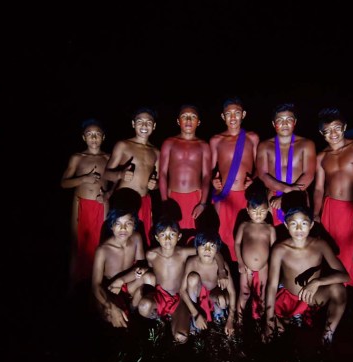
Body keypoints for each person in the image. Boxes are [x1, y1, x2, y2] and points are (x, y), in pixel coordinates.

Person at [312, 107, 353, 337]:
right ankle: (335, 306)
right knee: (332, 260)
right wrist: (316, 214)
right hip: (331, 211)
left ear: (345, 127)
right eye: (327, 130)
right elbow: (319, 188)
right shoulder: (321, 157)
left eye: (337, 128)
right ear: (322, 133)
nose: (333, 133)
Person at [264, 206, 348, 345]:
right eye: (293, 224)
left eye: (303, 223)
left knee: (339, 289)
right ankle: (290, 320)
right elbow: (272, 285)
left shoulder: (320, 245)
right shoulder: (279, 249)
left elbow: (345, 276)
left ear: (311, 225)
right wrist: (268, 320)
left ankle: (327, 338)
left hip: (311, 298)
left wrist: (317, 282)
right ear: (286, 225)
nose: (298, 229)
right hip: (289, 300)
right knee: (278, 337)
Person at [60, 118, 111, 293]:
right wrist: (83, 179)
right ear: (84, 138)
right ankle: (73, 287)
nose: (94, 138)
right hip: (81, 204)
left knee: (101, 244)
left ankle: (97, 286)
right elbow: (64, 183)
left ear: (103, 137)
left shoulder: (108, 158)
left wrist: (107, 195)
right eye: (90, 134)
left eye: (97, 134)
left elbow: (116, 183)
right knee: (78, 245)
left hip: (101, 206)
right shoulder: (77, 158)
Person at [209, 97, 259, 262]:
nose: (232, 117)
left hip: (246, 196)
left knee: (246, 235)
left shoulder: (252, 138)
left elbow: (260, 167)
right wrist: (212, 180)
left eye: (236, 113)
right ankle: (226, 272)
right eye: (228, 114)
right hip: (225, 195)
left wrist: (254, 179)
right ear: (223, 117)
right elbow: (210, 169)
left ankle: (247, 270)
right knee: (223, 235)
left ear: (243, 114)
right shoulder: (216, 140)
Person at [104, 107, 160, 247]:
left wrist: (155, 184)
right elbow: (106, 174)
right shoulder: (123, 145)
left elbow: (159, 181)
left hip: (144, 202)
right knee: (121, 243)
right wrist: (120, 174)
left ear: (153, 126)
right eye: (140, 121)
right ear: (133, 124)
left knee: (142, 241)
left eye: (148, 122)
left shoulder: (156, 152)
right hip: (124, 201)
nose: (144, 125)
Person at [256, 103, 316, 227]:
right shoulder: (264, 145)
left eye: (289, 119)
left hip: (299, 196)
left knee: (299, 235)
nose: (284, 123)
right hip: (273, 198)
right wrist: (286, 191)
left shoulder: (307, 144)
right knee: (276, 235)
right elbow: (263, 174)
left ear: (295, 122)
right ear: (273, 124)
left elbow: (309, 174)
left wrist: (287, 196)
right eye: (280, 120)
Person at [91, 208, 154, 328]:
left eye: (128, 224)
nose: (123, 228)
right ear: (111, 226)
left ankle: (135, 311)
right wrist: (111, 306)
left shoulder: (136, 238)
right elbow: (95, 286)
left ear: (134, 225)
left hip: (127, 283)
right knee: (111, 316)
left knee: (150, 277)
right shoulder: (103, 250)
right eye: (118, 224)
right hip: (111, 289)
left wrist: (122, 280)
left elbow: (141, 266)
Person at [143, 217, 199, 343]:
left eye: (172, 234)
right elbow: (150, 269)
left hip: (180, 299)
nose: (167, 239)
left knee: (181, 336)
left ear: (179, 236)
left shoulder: (183, 252)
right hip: (161, 296)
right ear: (157, 237)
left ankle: (185, 321)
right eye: (163, 235)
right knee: (144, 307)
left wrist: (221, 269)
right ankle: (160, 320)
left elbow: (205, 251)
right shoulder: (151, 254)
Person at [158, 104, 212, 234]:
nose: (188, 120)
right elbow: (163, 173)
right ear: (178, 121)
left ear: (198, 122)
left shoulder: (203, 145)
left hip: (195, 198)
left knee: (194, 235)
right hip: (173, 198)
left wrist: (203, 203)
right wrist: (165, 202)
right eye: (184, 116)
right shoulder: (169, 142)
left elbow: (206, 176)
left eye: (193, 117)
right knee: (171, 234)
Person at [180, 232, 237, 336]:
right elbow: (182, 290)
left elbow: (232, 292)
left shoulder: (222, 266)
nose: (207, 250)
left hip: (213, 294)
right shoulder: (192, 262)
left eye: (212, 246)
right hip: (198, 294)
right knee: (192, 278)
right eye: (203, 246)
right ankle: (194, 320)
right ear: (197, 248)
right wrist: (195, 314)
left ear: (217, 249)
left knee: (223, 300)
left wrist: (231, 320)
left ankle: (218, 316)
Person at [233, 189, 276, 323]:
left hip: (264, 266)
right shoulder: (244, 226)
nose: (258, 215)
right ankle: (239, 320)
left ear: (268, 210)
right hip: (245, 266)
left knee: (263, 294)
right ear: (247, 210)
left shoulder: (270, 228)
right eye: (254, 211)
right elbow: (237, 243)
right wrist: (240, 262)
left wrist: (272, 267)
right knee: (244, 293)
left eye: (262, 211)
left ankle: (260, 320)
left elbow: (275, 249)